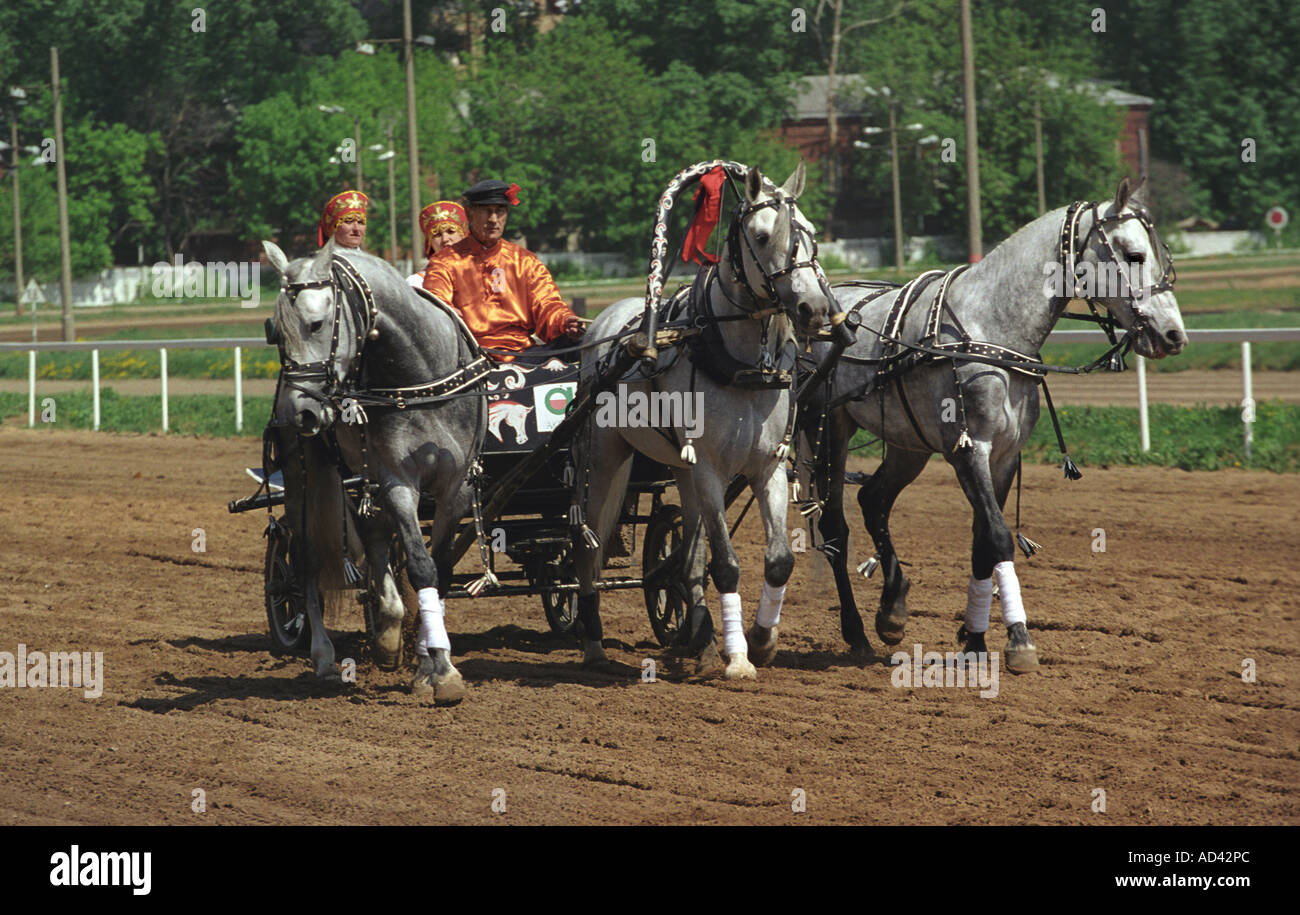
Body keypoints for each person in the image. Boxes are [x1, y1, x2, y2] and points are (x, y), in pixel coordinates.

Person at [423, 179, 582, 360]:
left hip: (523, 354)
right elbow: (437, 307)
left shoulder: (525, 261)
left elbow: (547, 304)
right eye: (486, 211)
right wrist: (448, 312)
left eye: (500, 211)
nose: (493, 220)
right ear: (469, 213)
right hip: (471, 357)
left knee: (583, 346)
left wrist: (564, 321)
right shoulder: (444, 262)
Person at [408, 200, 468, 286]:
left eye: (450, 231)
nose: (445, 239)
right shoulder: (416, 283)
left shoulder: (483, 274)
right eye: (437, 234)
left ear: (463, 236)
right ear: (430, 243)